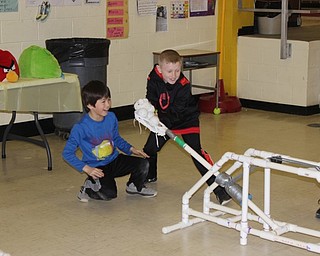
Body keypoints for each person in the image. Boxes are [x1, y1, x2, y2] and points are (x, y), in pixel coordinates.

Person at [142, 49, 231, 205]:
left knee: (196, 154)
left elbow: (177, 111)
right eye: (169, 71)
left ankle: (219, 190)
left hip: (186, 120)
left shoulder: (183, 85)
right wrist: (147, 111)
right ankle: (150, 175)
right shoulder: (153, 77)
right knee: (149, 149)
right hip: (164, 120)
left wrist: (161, 125)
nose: (174, 75)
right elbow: (151, 97)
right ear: (160, 69)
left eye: (177, 70)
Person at [62, 80, 157, 202]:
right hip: (97, 166)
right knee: (109, 194)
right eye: (103, 102)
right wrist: (87, 169)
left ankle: (134, 186)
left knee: (143, 163)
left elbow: (116, 138)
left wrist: (131, 149)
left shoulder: (111, 117)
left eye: (108, 100)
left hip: (114, 160)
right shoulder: (80, 128)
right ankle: (89, 187)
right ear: (90, 105)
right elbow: (67, 153)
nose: (107, 105)